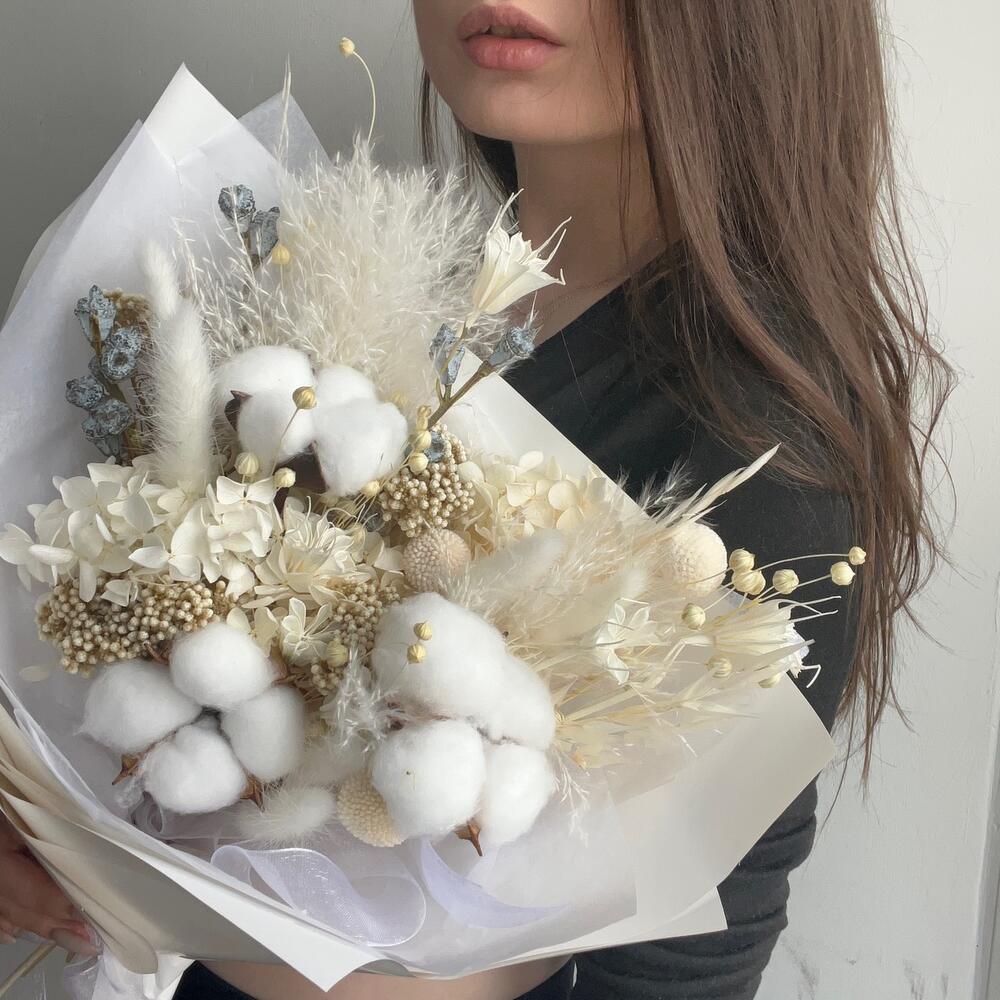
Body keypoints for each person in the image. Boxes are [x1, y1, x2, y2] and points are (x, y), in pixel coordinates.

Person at [1, 2, 951, 998]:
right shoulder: (356, 286)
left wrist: (133, 891)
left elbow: (672, 967)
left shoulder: (755, 446)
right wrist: (52, 809)